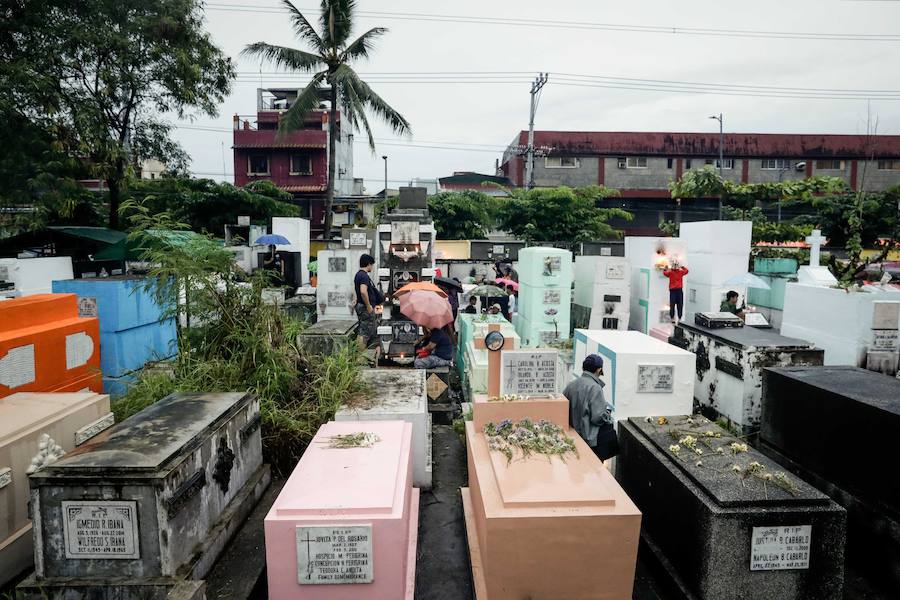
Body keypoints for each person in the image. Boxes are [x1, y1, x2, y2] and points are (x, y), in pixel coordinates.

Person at [563, 354, 618, 461]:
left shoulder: (571, 385)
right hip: (589, 440)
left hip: (572, 437)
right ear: (599, 370)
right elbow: (597, 417)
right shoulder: (595, 388)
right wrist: (606, 414)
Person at [354, 254, 383, 350]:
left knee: (365, 329)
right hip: (365, 307)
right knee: (364, 331)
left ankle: (361, 353)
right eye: (372, 265)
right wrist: (368, 305)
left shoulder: (359, 275)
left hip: (362, 305)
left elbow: (358, 291)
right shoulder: (364, 276)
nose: (372, 267)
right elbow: (363, 291)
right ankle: (359, 355)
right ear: (369, 264)